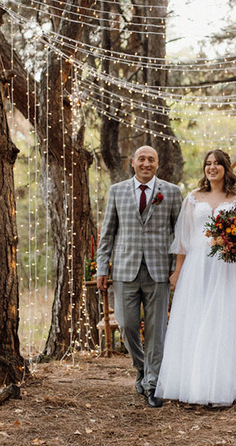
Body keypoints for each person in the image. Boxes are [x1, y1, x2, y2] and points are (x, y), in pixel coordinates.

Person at [155, 149, 236, 406]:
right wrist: (177, 272)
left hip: (228, 266)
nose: (212, 168)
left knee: (225, 317)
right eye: (208, 164)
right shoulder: (193, 198)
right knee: (197, 318)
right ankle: (196, 382)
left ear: (226, 168)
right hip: (197, 266)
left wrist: (235, 242)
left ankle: (227, 382)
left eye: (217, 164)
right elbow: (184, 240)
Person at [96, 145, 182, 408]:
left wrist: (178, 270)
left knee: (157, 330)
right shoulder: (117, 191)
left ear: (158, 164)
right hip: (124, 270)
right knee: (127, 324)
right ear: (132, 162)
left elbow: (180, 235)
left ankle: (153, 383)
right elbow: (107, 233)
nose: (146, 163)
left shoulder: (172, 192)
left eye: (151, 160)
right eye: (141, 159)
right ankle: (142, 368)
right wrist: (102, 267)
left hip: (159, 272)